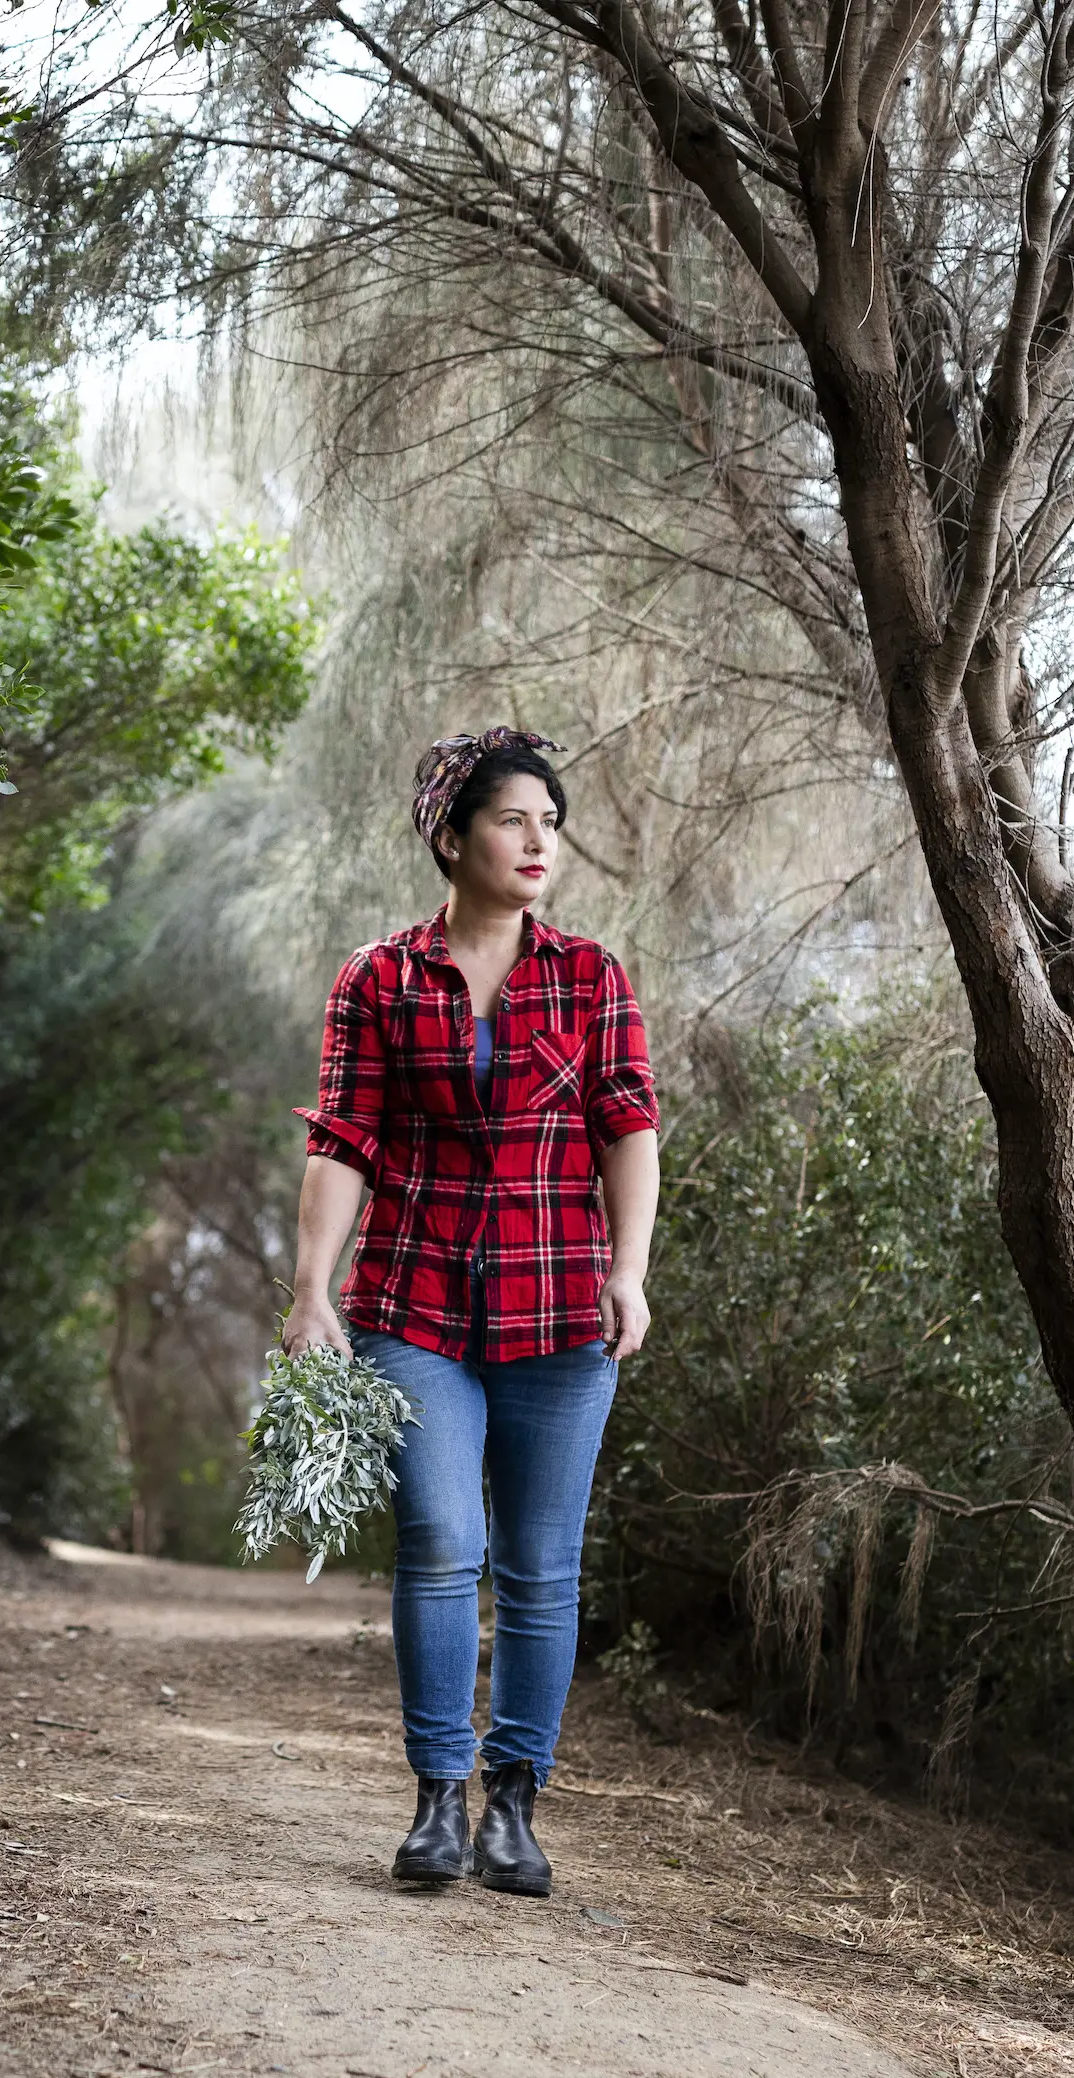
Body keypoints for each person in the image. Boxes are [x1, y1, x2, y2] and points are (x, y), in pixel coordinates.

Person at [282, 727, 660, 1897]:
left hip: (559, 1315)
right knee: (445, 1542)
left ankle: (515, 1808)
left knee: (543, 1567)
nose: (540, 839)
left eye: (550, 820)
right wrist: (312, 1287)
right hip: (416, 1302)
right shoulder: (379, 979)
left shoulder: (590, 975)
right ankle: (437, 1797)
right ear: (453, 837)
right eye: (513, 818)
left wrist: (629, 1268)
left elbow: (629, 1125)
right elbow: (343, 1136)